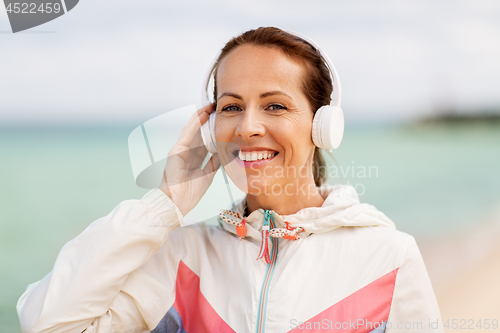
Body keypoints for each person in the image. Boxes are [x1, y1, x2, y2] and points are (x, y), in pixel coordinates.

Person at [17, 27, 443, 333]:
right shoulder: (183, 255)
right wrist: (164, 205)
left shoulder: (389, 256)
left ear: (323, 126)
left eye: (275, 106)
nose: (247, 128)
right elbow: (48, 324)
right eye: (231, 107)